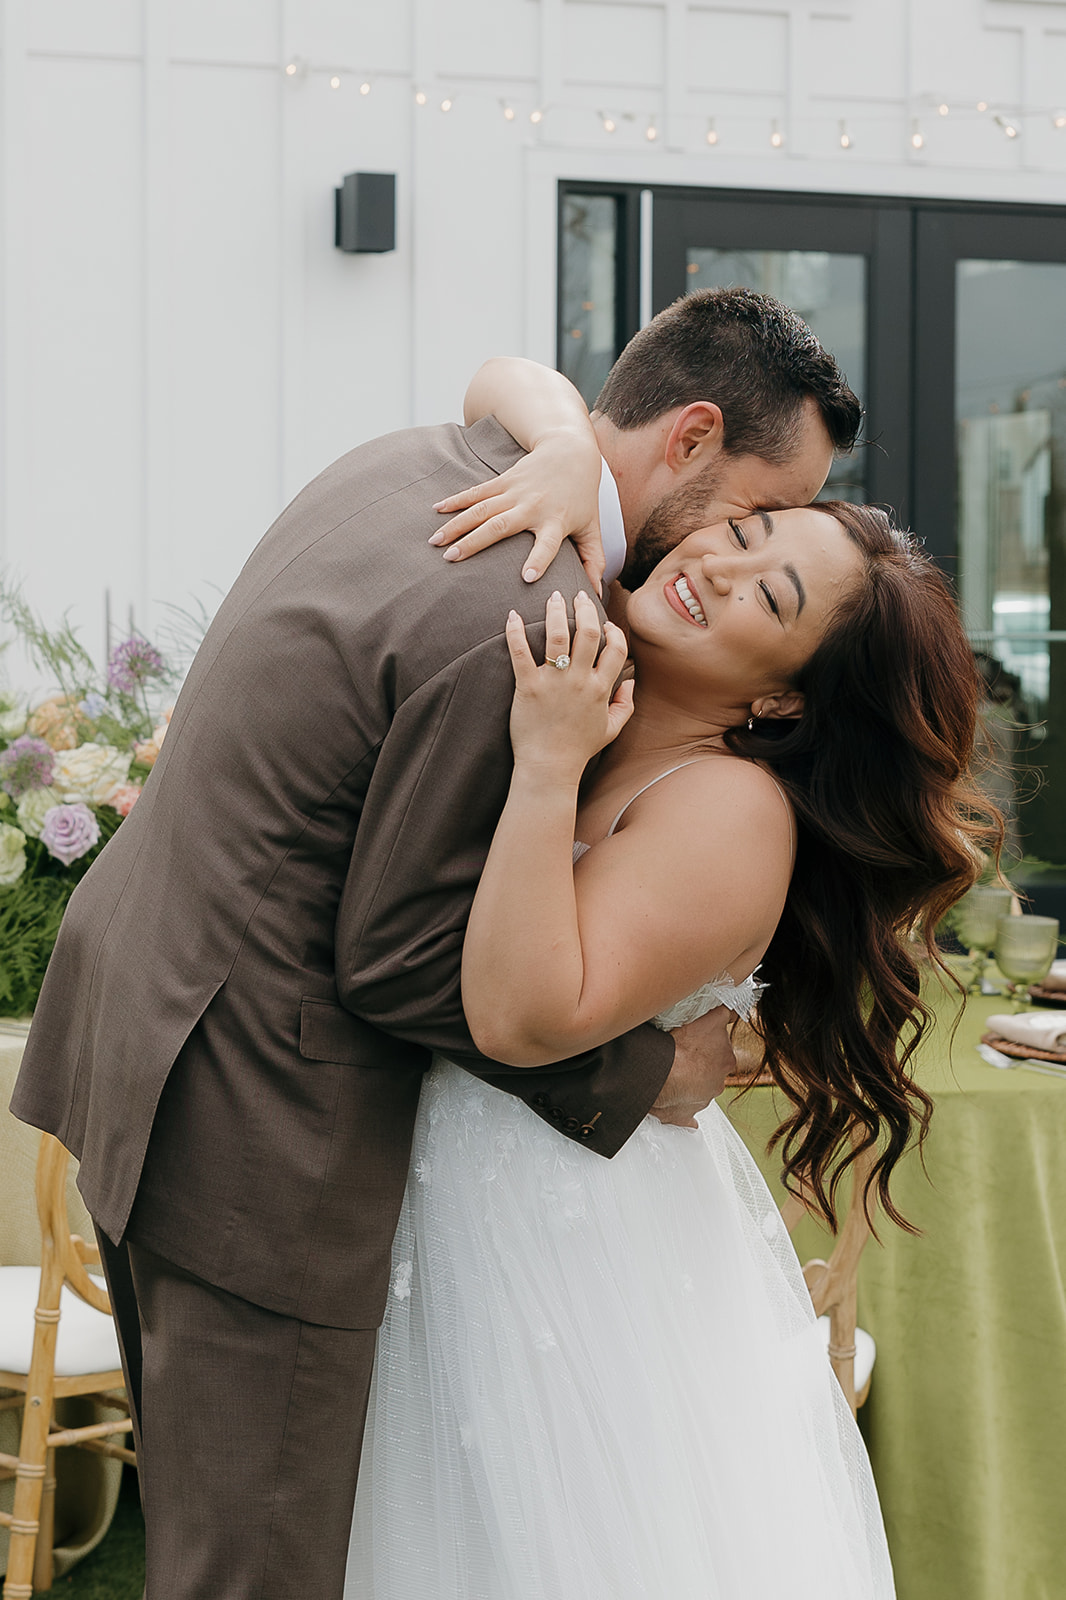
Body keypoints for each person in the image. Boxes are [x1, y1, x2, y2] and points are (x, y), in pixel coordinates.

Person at [8, 288, 861, 1600]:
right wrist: (648, 1078)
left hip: (150, 1029)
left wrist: (547, 417)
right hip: (252, 1109)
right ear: (691, 439)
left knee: (224, 1525)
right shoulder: (534, 610)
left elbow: (496, 384)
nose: (741, 548)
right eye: (760, 506)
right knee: (254, 1562)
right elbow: (400, 957)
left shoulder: (413, 456)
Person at [346, 493, 998, 1598]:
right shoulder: (597, 710)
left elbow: (519, 1012)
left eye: (771, 592)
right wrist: (557, 436)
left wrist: (547, 765)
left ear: (784, 690)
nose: (722, 566)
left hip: (565, 1249)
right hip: (454, 1208)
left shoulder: (730, 807)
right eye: (742, 535)